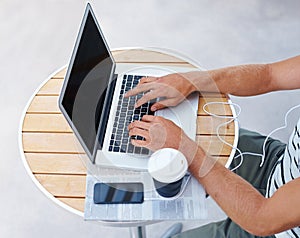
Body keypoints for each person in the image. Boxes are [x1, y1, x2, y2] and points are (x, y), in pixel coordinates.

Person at [125, 55, 300, 238]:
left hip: (276, 229)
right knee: (202, 133)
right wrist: (191, 82)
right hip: (281, 163)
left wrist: (183, 146)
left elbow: (262, 219)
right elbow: (269, 75)